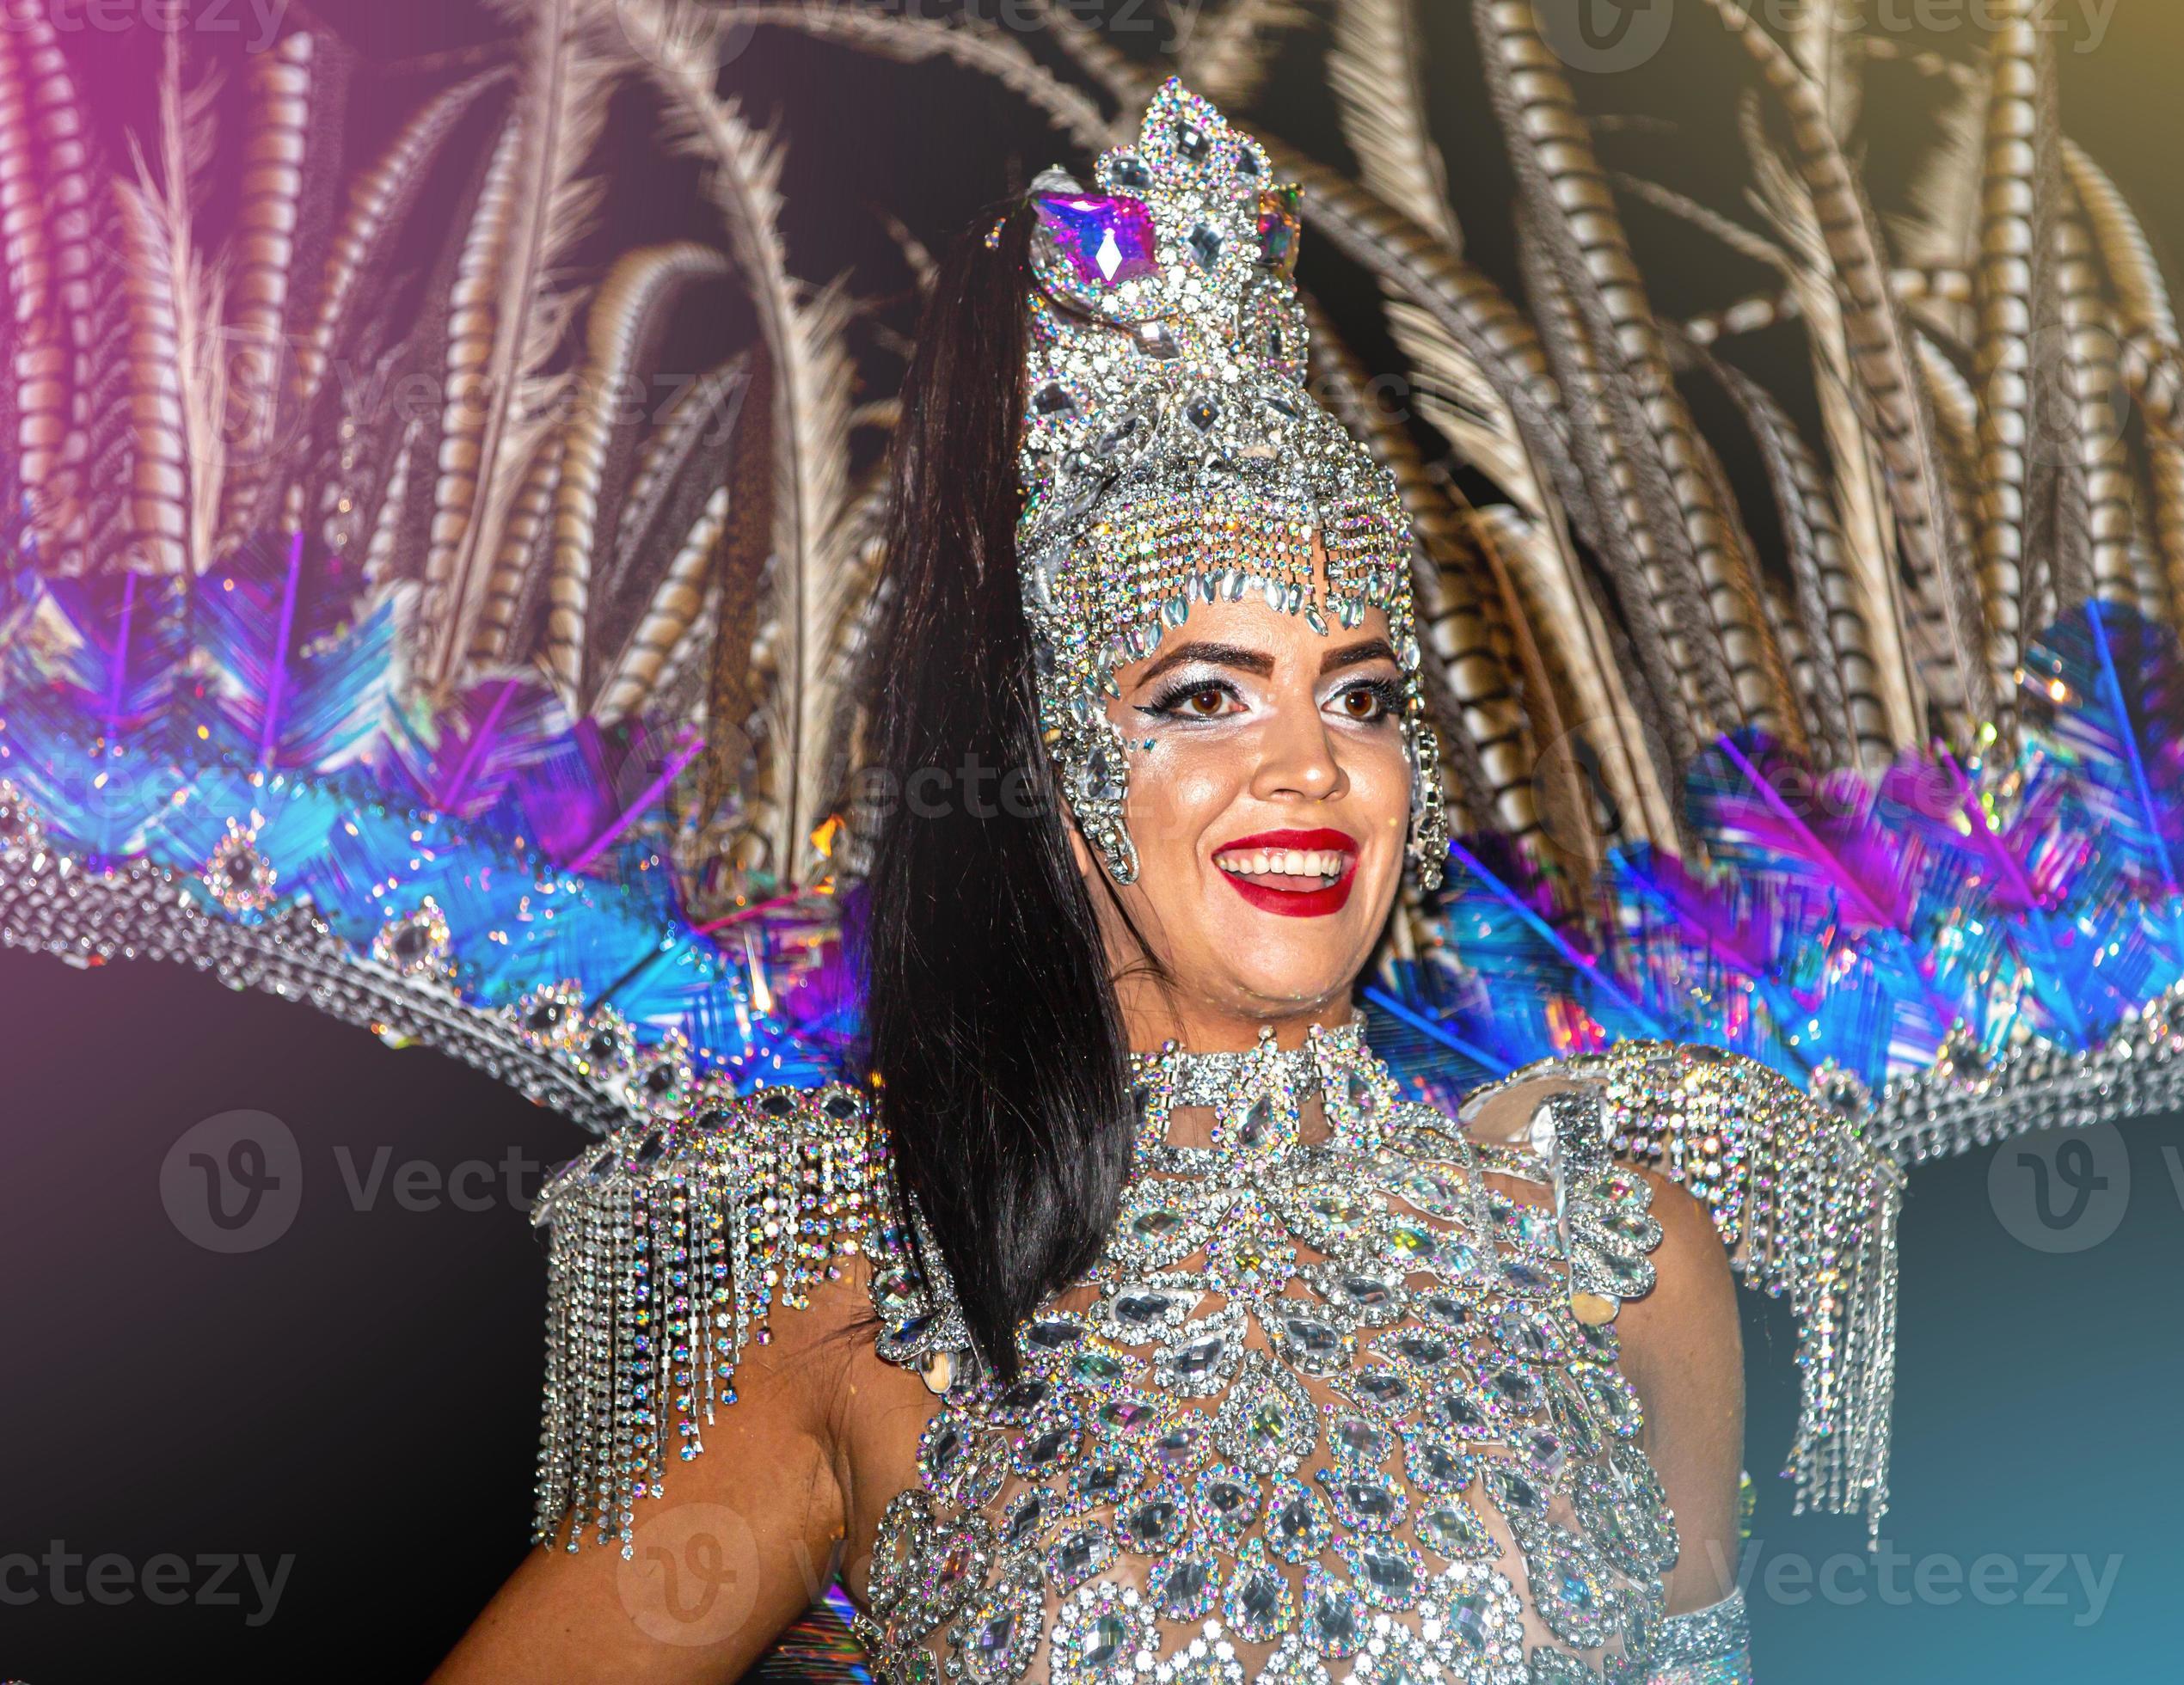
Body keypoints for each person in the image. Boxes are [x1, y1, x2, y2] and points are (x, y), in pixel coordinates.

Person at [434, 81, 1894, 1685]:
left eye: (1362, 695)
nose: (1311, 766)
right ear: (1051, 770)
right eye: (1204, 696)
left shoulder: (1619, 1251)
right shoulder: (883, 1297)